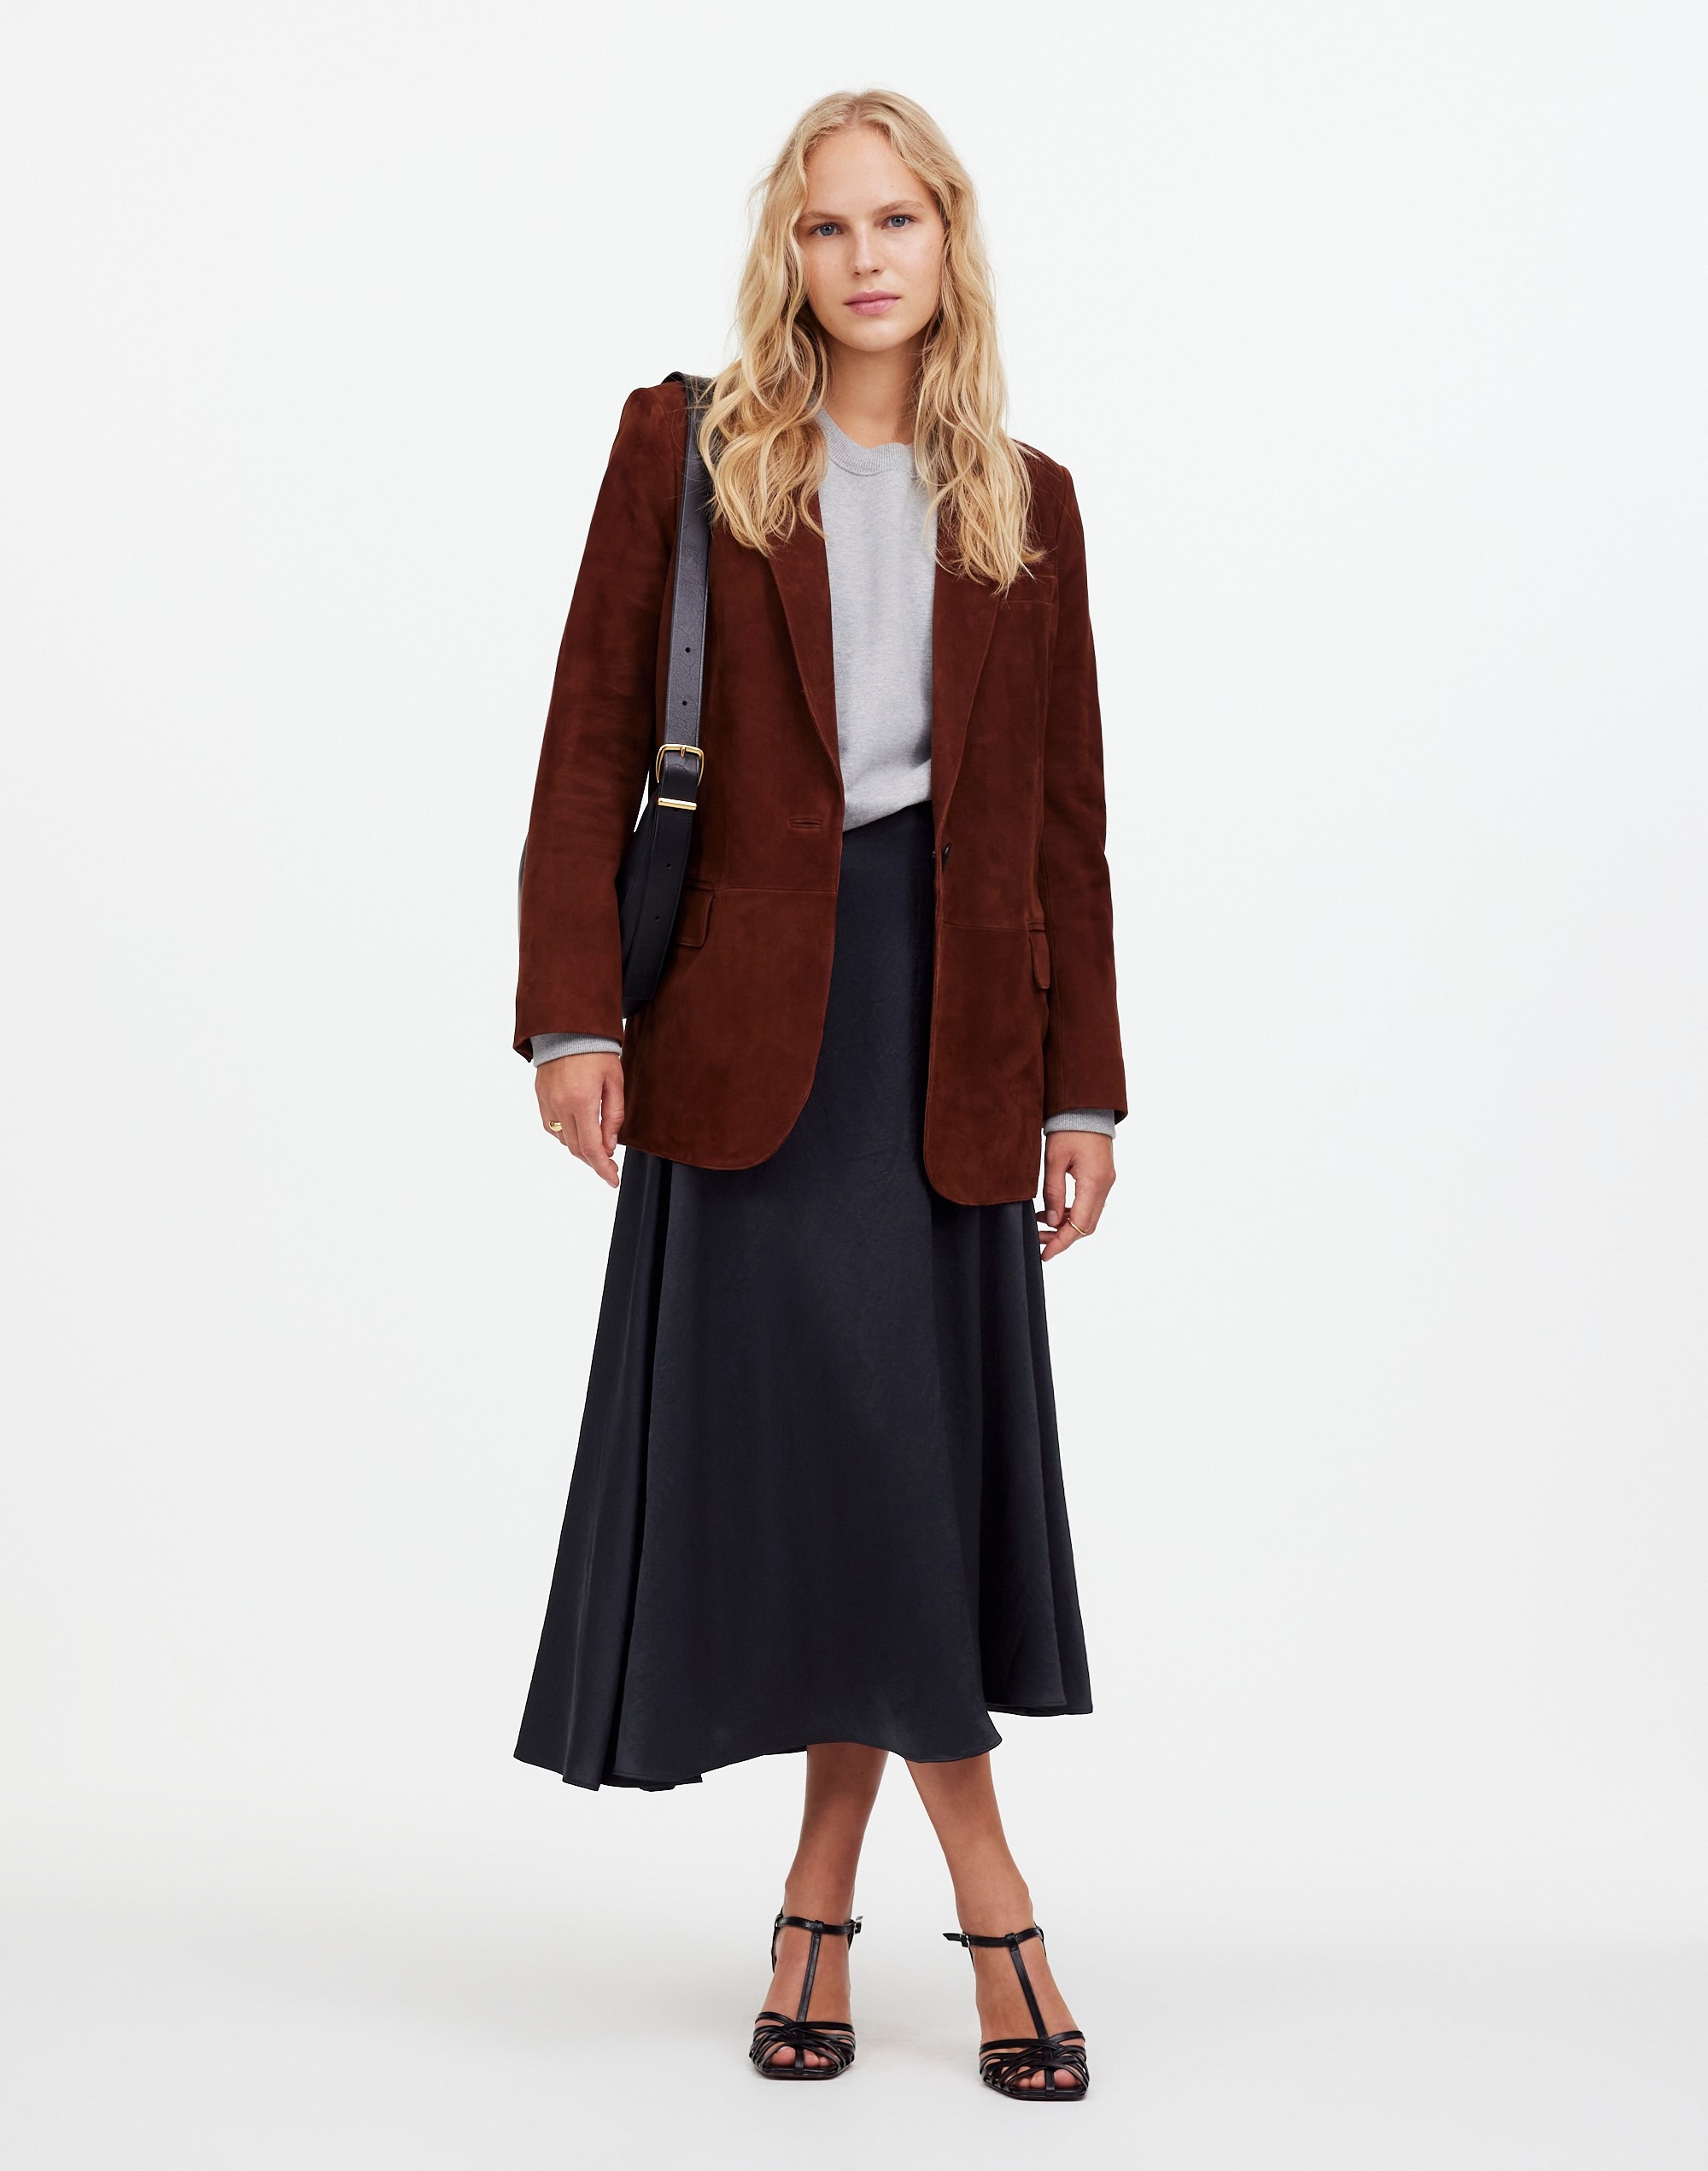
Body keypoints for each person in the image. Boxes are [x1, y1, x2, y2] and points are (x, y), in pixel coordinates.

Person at [512, 88, 1124, 2102]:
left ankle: (815, 1904)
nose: (865, 259)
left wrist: (1085, 1093)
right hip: (746, 1024)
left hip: (950, 1039)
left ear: (950, 245)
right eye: (828, 225)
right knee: (865, 1458)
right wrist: (574, 1015)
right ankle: (997, 1896)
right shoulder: (687, 451)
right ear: (788, 252)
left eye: (898, 222)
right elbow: (590, 734)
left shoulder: (1026, 500)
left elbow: (1062, 825)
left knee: (895, 1466)